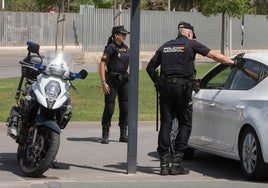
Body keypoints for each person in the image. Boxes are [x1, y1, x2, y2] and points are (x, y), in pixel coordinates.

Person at [146, 21, 236, 175]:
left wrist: (158, 83)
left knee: (166, 123)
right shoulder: (191, 44)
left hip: (166, 89)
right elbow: (215, 56)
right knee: (185, 123)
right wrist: (233, 62)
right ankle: (176, 164)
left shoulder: (164, 47)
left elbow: (149, 68)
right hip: (183, 89)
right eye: (192, 35)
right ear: (189, 33)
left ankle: (163, 163)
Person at [99, 25, 130, 144]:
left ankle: (123, 134)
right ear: (116, 35)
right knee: (110, 107)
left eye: (125, 34)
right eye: (123, 34)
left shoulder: (126, 48)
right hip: (112, 81)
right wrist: (103, 82)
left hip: (124, 81)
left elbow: (129, 63)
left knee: (125, 108)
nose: (125, 36)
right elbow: (102, 65)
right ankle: (105, 134)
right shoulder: (110, 48)